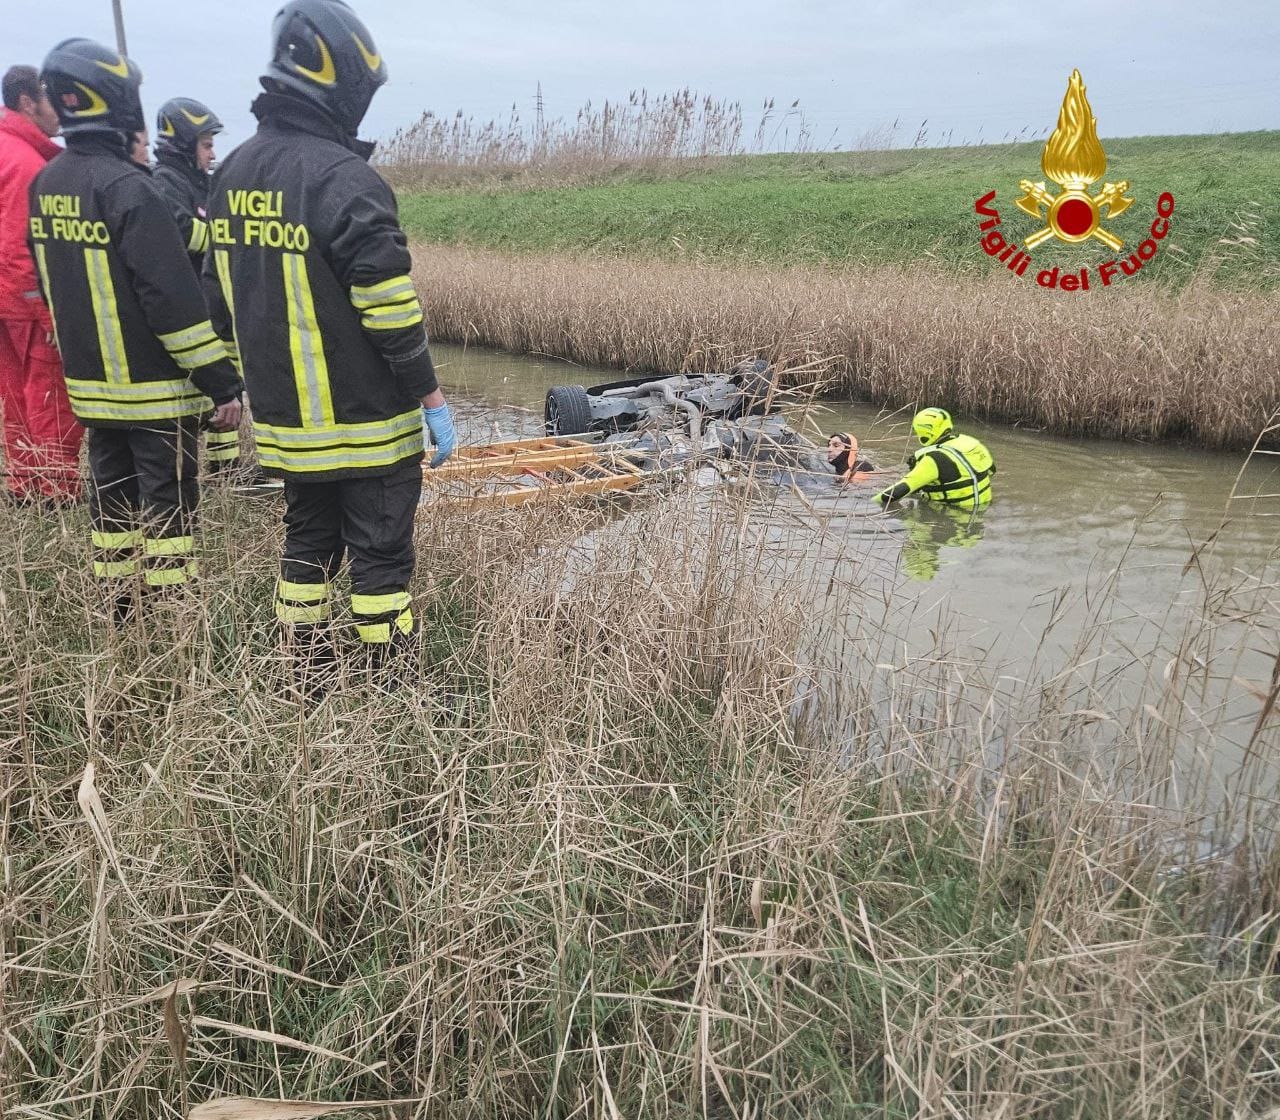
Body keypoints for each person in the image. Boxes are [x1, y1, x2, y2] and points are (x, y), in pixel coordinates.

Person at [204, 0, 454, 686]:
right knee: (380, 563)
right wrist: (430, 395)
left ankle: (304, 672)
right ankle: (390, 686)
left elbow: (215, 299)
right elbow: (389, 307)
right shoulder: (346, 179)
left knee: (306, 545)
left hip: (288, 432)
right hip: (367, 426)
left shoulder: (231, 175)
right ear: (341, 83)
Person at [29, 39, 242, 619]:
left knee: (111, 505)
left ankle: (119, 608)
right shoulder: (131, 189)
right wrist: (222, 382)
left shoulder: (46, 186)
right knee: (169, 507)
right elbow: (172, 301)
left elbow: (50, 286)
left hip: (92, 392)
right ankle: (172, 613)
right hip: (155, 393)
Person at [0, 64, 82, 506]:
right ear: (28, 102)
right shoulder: (27, 163)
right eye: (51, 100)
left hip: (6, 301)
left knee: (15, 397)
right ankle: (56, 490)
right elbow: (19, 248)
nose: (60, 112)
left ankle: (25, 484)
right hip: (24, 301)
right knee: (49, 394)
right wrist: (47, 310)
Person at [152, 98, 243, 476]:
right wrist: (228, 236)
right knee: (208, 389)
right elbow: (182, 232)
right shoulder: (165, 182)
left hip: (217, 305)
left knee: (230, 382)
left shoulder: (199, 182)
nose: (212, 152)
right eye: (206, 145)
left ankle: (227, 466)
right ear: (185, 145)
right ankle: (218, 468)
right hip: (194, 306)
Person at [875, 407, 994, 511]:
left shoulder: (932, 459)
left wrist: (868, 503)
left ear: (924, 433)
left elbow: (892, 494)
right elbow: (991, 471)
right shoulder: (972, 442)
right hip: (982, 509)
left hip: (952, 514)